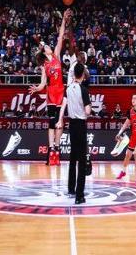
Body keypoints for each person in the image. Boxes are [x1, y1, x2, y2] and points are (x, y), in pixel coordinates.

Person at [29, 9, 72, 166]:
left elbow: (60, 36)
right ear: (44, 51)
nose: (49, 46)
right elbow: (42, 84)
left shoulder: (56, 55)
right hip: (51, 93)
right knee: (52, 123)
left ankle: (57, 150)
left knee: (60, 123)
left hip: (60, 91)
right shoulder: (44, 65)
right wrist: (37, 89)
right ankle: (51, 150)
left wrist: (63, 20)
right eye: (46, 46)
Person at [57, 63, 92, 204]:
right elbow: (88, 111)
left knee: (72, 157)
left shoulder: (68, 89)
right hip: (80, 125)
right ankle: (79, 196)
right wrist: (87, 109)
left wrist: (60, 120)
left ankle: (71, 188)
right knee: (82, 160)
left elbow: (63, 106)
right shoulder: (83, 90)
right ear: (82, 74)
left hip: (71, 125)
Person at [115, 94, 136, 183]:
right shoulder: (130, 111)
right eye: (132, 98)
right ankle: (123, 172)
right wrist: (119, 133)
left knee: (135, 153)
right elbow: (125, 124)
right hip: (133, 137)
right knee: (128, 155)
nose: (133, 100)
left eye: (135, 98)